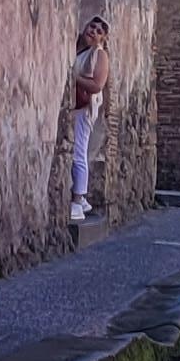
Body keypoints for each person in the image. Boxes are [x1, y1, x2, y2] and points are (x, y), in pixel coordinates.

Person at [68, 13, 109, 228]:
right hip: (75, 106)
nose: (93, 32)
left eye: (98, 31)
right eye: (92, 27)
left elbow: (97, 85)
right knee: (75, 149)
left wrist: (74, 78)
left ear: (102, 38)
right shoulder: (78, 47)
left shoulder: (99, 55)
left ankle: (78, 199)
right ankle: (81, 200)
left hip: (85, 108)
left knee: (79, 150)